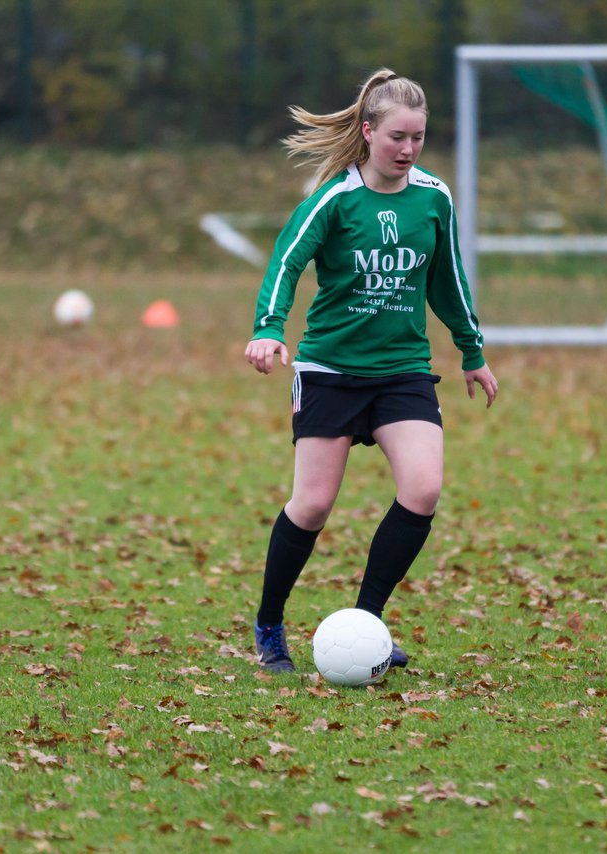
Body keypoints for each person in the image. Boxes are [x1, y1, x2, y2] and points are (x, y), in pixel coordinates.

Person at [244, 68, 499, 674]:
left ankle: (367, 625)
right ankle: (269, 625)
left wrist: (472, 350)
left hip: (402, 372)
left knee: (423, 489)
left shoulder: (434, 197)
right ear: (368, 132)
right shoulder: (335, 198)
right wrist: (268, 328)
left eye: (418, 138)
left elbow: (449, 280)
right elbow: (286, 260)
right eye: (396, 138)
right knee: (311, 506)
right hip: (331, 370)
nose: (408, 149)